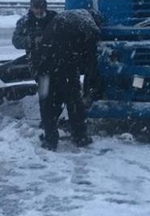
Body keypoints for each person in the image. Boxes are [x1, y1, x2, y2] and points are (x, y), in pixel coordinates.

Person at [33, 9, 102, 151]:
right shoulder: (91, 27)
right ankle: (79, 137)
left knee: (46, 101)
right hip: (66, 67)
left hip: (42, 67)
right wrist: (90, 89)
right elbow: (91, 63)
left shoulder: (66, 15)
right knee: (73, 101)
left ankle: (50, 139)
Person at [11, 0, 57, 78]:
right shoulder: (25, 22)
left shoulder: (54, 18)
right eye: (36, 8)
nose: (39, 11)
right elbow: (16, 41)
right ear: (31, 7)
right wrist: (32, 40)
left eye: (42, 8)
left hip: (55, 56)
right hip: (36, 59)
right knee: (44, 82)